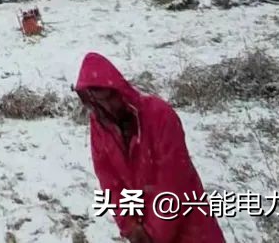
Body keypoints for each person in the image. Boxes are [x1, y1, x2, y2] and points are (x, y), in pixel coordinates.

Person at [75, 53, 225, 243]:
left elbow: (172, 181)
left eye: (110, 96)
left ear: (118, 88)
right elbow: (110, 183)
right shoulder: (99, 126)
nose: (108, 106)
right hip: (144, 229)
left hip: (188, 225)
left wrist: (153, 235)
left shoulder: (159, 115)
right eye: (98, 100)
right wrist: (130, 227)